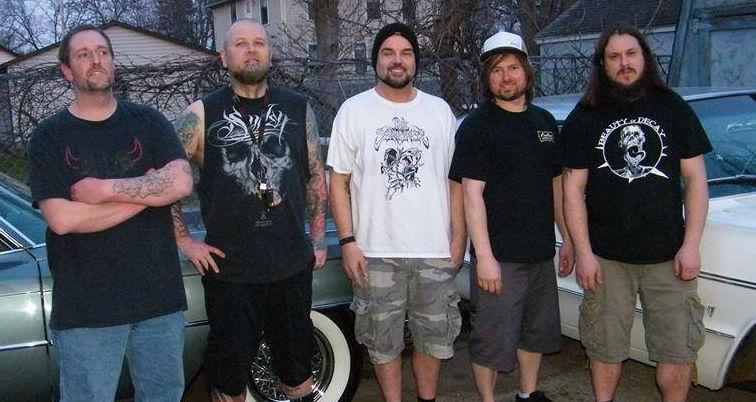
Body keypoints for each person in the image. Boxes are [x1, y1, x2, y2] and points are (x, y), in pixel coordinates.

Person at [26, 25, 193, 401]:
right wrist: (149, 192)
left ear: (113, 63)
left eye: (102, 52)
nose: (96, 60)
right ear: (67, 70)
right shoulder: (49, 137)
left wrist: (103, 191)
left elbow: (181, 182)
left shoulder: (148, 122)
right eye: (83, 54)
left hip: (158, 302)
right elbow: (63, 219)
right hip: (87, 309)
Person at [169, 19, 327, 402]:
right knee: (229, 382)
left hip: (290, 267)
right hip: (231, 273)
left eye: (259, 42)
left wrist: (319, 238)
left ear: (270, 53)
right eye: (240, 43)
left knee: (297, 374)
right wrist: (184, 240)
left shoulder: (298, 108)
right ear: (224, 57)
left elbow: (314, 175)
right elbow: (167, 181)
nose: (251, 49)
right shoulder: (200, 114)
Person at [560, 24, 711, 402]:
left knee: (677, 352)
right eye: (614, 56)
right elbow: (572, 191)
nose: (624, 63)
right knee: (604, 349)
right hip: (607, 260)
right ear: (603, 64)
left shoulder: (673, 108)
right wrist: (584, 252)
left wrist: (691, 245)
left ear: (644, 57)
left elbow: (696, 180)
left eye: (631, 54)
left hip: (669, 257)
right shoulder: (586, 114)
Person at [327, 22, 466, 402]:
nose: (397, 60)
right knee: (382, 340)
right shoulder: (353, 111)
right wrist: (348, 241)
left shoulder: (439, 112)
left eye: (405, 53)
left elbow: (456, 182)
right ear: (376, 61)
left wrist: (459, 238)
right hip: (374, 252)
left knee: (434, 338)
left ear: (416, 61)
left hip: (434, 250)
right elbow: (337, 181)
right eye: (388, 53)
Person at [449, 31, 574, 402]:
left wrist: (566, 238)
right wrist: (484, 257)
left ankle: (527, 394)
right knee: (491, 339)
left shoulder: (544, 122)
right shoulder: (477, 126)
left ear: (526, 72)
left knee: (535, 333)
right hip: (499, 258)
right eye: (497, 70)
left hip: (540, 252)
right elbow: (471, 194)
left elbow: (556, 186)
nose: (506, 77)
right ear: (487, 78)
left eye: (513, 68)